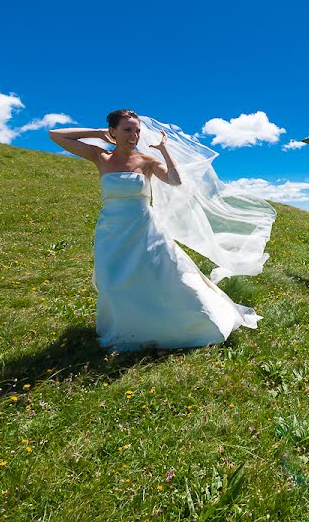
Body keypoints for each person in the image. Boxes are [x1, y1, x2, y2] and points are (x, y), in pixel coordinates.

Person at [48, 109, 275, 351]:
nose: (134, 135)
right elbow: (56, 135)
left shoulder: (146, 161)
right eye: (127, 129)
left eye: (137, 130)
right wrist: (99, 134)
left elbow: (175, 180)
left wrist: (164, 150)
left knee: (162, 277)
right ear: (113, 131)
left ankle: (183, 324)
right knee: (112, 279)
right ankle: (127, 328)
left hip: (144, 228)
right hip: (111, 229)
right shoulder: (100, 156)